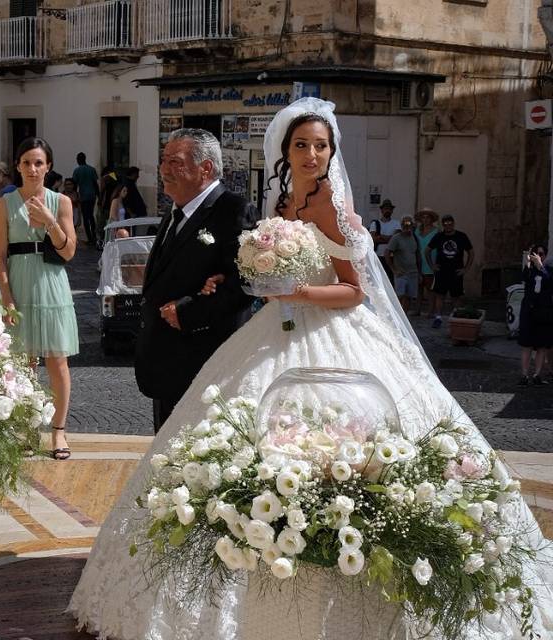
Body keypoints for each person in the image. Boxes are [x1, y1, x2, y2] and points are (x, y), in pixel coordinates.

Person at [69, 97, 553, 639]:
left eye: (320, 145)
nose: (311, 154)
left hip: (332, 338)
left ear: (331, 151)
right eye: (301, 145)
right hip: (274, 328)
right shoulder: (282, 199)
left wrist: (296, 290)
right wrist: (248, 281)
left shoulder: (333, 207)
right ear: (287, 151)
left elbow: (354, 290)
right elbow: (254, 269)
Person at [134, 128, 252, 432]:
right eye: (163, 160)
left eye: (175, 162)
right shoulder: (175, 211)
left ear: (206, 168)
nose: (164, 170)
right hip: (165, 364)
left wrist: (187, 311)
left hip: (203, 362)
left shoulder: (233, 212)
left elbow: (244, 286)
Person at [0, 137, 79, 460]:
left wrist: (49, 220)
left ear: (49, 167)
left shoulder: (62, 202)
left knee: (57, 360)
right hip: (19, 283)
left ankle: (59, 431)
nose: (32, 168)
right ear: (18, 166)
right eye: (27, 162)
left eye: (39, 162)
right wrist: (6, 300)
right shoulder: (4, 204)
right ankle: (27, 428)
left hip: (52, 284)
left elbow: (69, 251)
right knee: (23, 363)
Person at [426, 214, 474, 328]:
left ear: (453, 223)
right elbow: (427, 251)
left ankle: (456, 318)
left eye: (450, 223)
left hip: (456, 272)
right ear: (443, 225)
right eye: (445, 224)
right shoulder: (439, 236)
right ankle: (438, 318)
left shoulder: (461, 236)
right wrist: (432, 266)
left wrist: (466, 268)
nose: (448, 225)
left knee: (456, 297)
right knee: (439, 296)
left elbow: (471, 253)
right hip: (441, 272)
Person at [517, 244, 553, 386]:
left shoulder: (549, 270)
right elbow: (524, 278)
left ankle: (537, 374)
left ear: (545, 256)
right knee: (527, 345)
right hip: (529, 312)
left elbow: (550, 282)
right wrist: (528, 264)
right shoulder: (529, 271)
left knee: (542, 346)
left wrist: (541, 267)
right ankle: (524, 375)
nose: (538, 256)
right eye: (536, 254)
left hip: (544, 312)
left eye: (541, 254)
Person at [385, 215, 421, 314]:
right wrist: (394, 269)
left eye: (409, 224)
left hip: (413, 272)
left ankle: (404, 317)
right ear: (401, 225)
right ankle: (396, 315)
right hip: (401, 272)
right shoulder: (396, 238)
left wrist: (419, 272)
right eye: (404, 224)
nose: (406, 226)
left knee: (409, 296)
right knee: (400, 296)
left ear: (412, 225)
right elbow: (387, 253)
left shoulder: (415, 237)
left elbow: (417, 255)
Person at [414, 207, 439, 316]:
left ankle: (430, 311)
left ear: (432, 219)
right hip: (418, 262)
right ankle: (417, 310)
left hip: (430, 262)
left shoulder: (436, 231)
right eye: (423, 217)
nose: (425, 219)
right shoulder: (417, 231)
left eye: (428, 217)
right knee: (419, 288)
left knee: (430, 289)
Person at [71, 152, 100, 247]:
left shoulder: (77, 171)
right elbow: (95, 184)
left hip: (83, 196)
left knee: (86, 217)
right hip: (92, 196)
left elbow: (74, 185)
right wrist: (99, 196)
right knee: (91, 216)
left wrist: (74, 195)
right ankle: (94, 236)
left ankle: (90, 238)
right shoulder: (91, 169)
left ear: (78, 160)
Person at [369, 198, 400, 281]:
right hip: (378, 256)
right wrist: (389, 238)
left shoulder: (397, 223)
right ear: (382, 210)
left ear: (392, 211)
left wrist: (380, 236)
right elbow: (373, 239)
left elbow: (396, 239)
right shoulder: (374, 223)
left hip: (392, 257)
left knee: (390, 279)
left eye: (389, 209)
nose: (387, 211)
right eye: (386, 209)